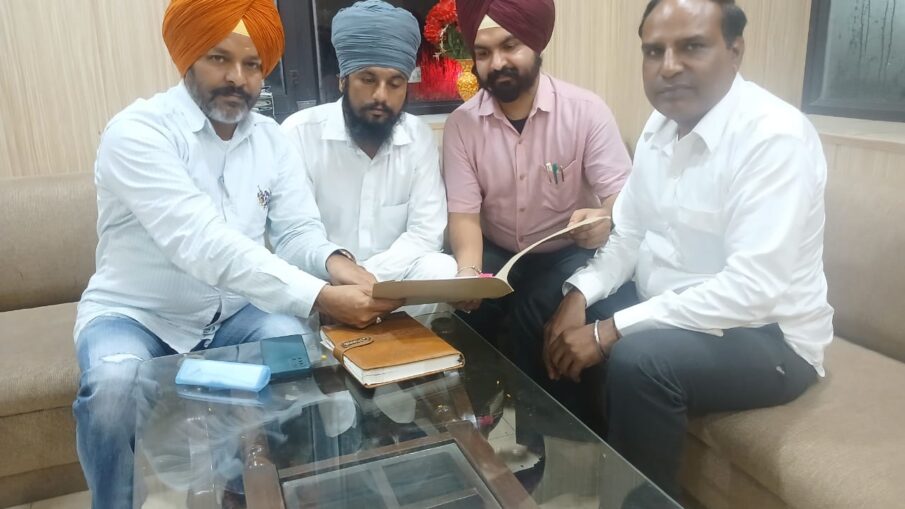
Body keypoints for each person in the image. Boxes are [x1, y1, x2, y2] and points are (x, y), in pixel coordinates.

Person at [73, 1, 401, 507]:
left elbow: (297, 232)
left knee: (296, 351)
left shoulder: (271, 140)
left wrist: (345, 269)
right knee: (112, 388)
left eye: (252, 65)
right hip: (138, 314)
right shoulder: (138, 132)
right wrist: (321, 296)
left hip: (233, 315)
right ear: (187, 58)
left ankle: (264, 490)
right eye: (218, 59)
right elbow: (200, 241)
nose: (238, 79)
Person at [545, 0, 834, 498]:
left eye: (692, 47)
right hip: (678, 311)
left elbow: (751, 291)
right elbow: (629, 235)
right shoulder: (659, 128)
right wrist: (578, 295)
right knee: (548, 297)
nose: (669, 66)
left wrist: (610, 330)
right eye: (653, 51)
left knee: (640, 360)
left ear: (735, 51)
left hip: (768, 337)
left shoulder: (774, 138)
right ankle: (571, 471)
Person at [443, 0, 633, 399]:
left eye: (509, 46)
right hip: (496, 249)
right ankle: (477, 417)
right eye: (483, 52)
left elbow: (624, 199)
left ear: (535, 43)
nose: (497, 63)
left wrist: (605, 216)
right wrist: (469, 272)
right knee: (467, 310)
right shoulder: (461, 124)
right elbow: (464, 216)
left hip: (566, 250)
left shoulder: (586, 111)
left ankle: (541, 427)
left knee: (534, 308)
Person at [282, 0, 456, 318]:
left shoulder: (417, 136)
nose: (381, 96)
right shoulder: (299, 133)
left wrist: (369, 283)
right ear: (343, 80)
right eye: (368, 79)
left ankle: (399, 345)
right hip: (323, 281)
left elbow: (425, 232)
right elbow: (294, 233)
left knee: (441, 268)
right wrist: (339, 281)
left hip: (390, 283)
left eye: (395, 83)